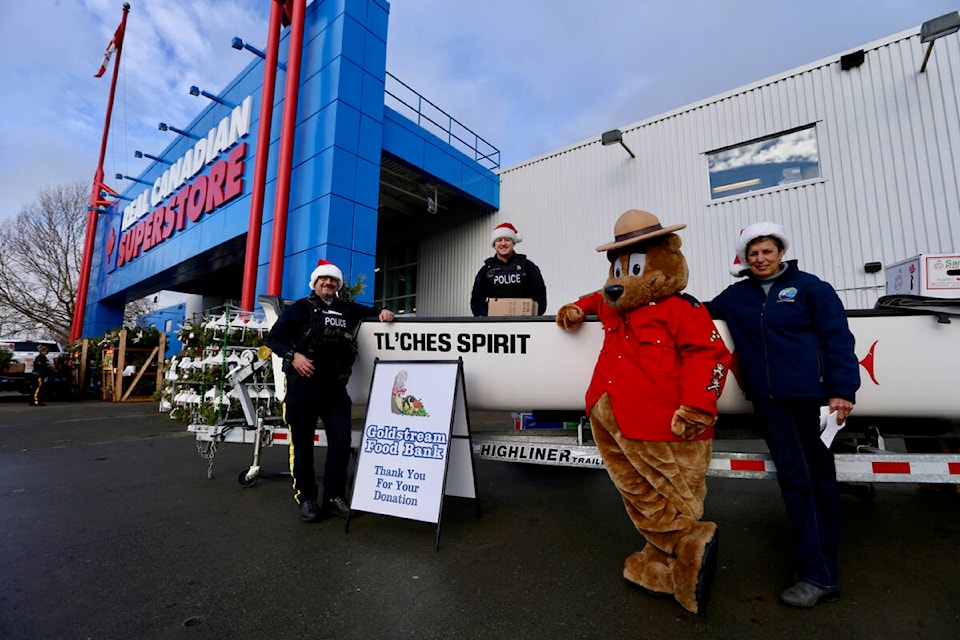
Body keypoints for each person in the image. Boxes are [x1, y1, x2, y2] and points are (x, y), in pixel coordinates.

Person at [706, 221, 860, 609]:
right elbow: (699, 310)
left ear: (780, 252)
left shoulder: (811, 288)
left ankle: (820, 575)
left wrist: (842, 390)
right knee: (796, 480)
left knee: (814, 480)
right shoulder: (736, 296)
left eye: (767, 251)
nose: (760, 259)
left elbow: (838, 337)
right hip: (769, 400)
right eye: (753, 253)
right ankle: (818, 566)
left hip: (811, 397)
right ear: (744, 258)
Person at [267, 259, 395, 522]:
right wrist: (294, 356)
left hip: (334, 389)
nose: (328, 283)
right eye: (324, 279)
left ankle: (334, 496)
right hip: (302, 387)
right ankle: (306, 498)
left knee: (341, 441)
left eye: (333, 280)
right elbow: (274, 338)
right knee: (302, 445)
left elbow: (373, 312)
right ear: (315, 283)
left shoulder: (347, 309)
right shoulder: (299, 309)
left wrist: (384, 312)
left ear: (338, 285)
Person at [470, 222, 547, 316]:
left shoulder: (527, 266)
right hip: (495, 325)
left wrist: (532, 318)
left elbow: (540, 298)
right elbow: (476, 302)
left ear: (513, 243)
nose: (503, 243)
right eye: (499, 240)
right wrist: (489, 318)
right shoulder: (486, 270)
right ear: (494, 244)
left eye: (507, 240)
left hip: (524, 324)